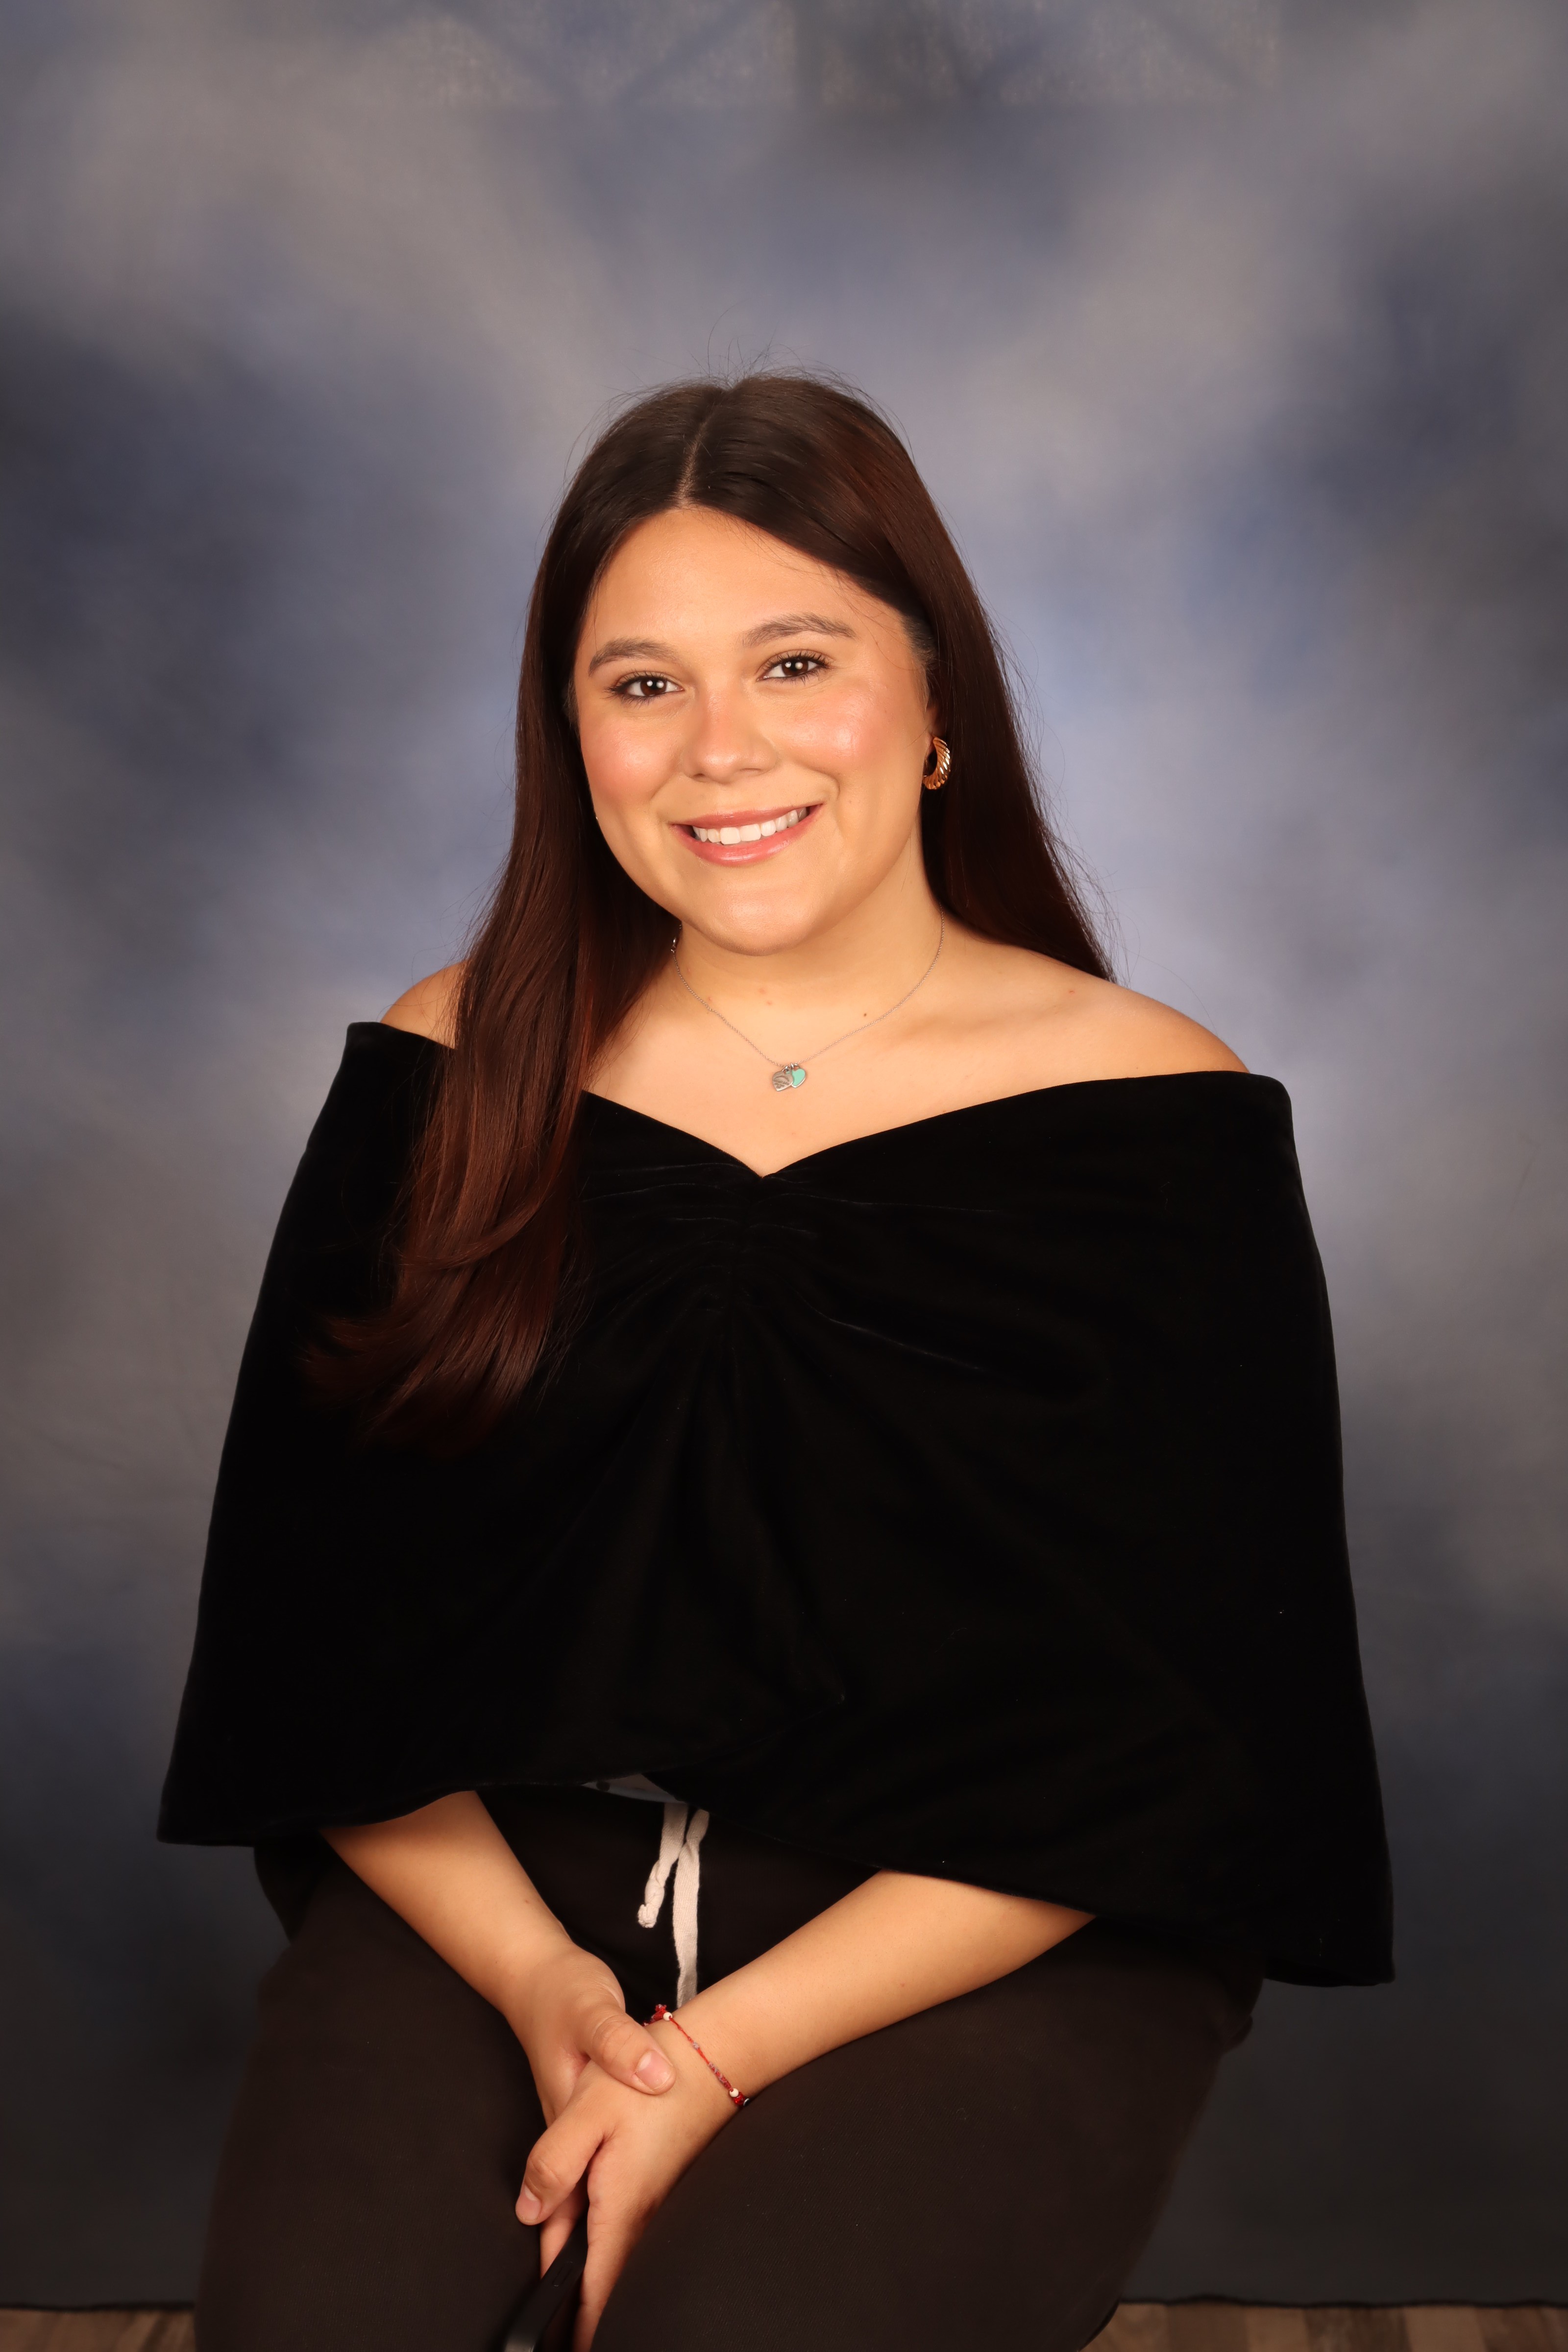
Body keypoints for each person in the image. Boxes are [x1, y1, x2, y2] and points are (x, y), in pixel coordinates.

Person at [160, 372, 1392, 2352]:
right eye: (640, 685)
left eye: (795, 662)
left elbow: (1168, 1747)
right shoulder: (450, 1064)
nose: (717, 748)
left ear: (933, 702)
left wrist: (710, 2063)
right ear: (569, 735)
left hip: (977, 1921)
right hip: (510, 1894)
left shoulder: (1155, 1115)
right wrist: (551, 1994)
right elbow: (315, 1655)